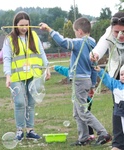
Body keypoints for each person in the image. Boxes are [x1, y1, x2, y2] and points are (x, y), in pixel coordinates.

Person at [40, 17, 112, 146]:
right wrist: (93, 85)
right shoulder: (93, 45)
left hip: (79, 81)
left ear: (79, 31)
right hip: (85, 81)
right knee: (77, 113)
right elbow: (93, 67)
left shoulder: (80, 43)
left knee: (83, 113)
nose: (74, 34)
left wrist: (49, 29)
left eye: (74, 31)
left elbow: (62, 42)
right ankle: (84, 138)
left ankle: (103, 133)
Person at [2, 11, 51, 141]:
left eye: (26, 25)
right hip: (16, 76)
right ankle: (19, 130)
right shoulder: (9, 39)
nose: (24, 28)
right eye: (21, 25)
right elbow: (6, 59)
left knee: (31, 102)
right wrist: (8, 76)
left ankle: (30, 130)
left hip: (33, 75)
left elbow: (41, 53)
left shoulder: (34, 36)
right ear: (15, 25)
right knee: (19, 103)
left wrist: (47, 69)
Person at [90, 11, 124, 150]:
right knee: (118, 109)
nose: (120, 35)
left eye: (123, 31)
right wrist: (94, 55)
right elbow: (97, 50)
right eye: (117, 32)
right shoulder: (108, 34)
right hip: (117, 75)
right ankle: (118, 144)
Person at [52, 65, 96, 139]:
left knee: (84, 115)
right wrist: (56, 67)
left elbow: (66, 71)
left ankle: (91, 134)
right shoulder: (86, 70)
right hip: (87, 97)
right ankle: (89, 134)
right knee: (84, 115)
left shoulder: (76, 72)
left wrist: (56, 67)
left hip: (84, 98)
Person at [94, 65, 124, 150]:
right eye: (121, 74)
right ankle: (117, 146)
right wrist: (100, 71)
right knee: (119, 133)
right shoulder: (115, 84)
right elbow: (107, 79)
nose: (123, 76)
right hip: (119, 114)